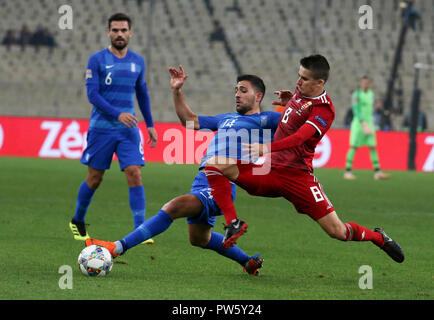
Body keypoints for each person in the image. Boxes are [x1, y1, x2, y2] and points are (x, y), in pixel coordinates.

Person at [202, 55, 404, 264]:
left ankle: (379, 238)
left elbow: (298, 138)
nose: (299, 82)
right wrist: (289, 102)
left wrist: (266, 148)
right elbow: (297, 111)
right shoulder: (300, 92)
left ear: (320, 83)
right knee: (216, 164)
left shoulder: (324, 110)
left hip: (298, 178)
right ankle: (233, 223)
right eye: (299, 76)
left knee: (337, 231)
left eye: (305, 79)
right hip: (271, 172)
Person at [85, 66, 282, 275]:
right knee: (199, 238)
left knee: (173, 207)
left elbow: (298, 122)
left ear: (258, 96)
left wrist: (291, 105)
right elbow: (189, 121)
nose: (237, 94)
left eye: (243, 90)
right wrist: (177, 91)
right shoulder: (226, 118)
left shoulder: (266, 119)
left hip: (223, 183)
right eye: (236, 90)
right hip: (202, 180)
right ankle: (247, 262)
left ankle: (116, 247)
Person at [69, 13, 158, 244]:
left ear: (130, 33)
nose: (119, 34)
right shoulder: (96, 60)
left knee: (135, 173)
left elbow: (142, 94)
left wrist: (149, 124)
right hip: (102, 129)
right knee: (95, 177)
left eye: (123, 30)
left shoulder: (138, 61)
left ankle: (140, 229)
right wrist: (117, 113)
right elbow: (92, 95)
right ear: (108, 32)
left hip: (128, 130)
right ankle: (77, 220)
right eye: (115, 30)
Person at [344, 76, 390, 180]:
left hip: (369, 124)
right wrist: (364, 124)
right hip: (359, 125)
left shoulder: (371, 94)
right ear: (361, 83)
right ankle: (347, 171)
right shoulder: (357, 94)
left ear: (370, 83)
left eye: (367, 82)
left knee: (373, 146)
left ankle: (377, 172)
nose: (365, 84)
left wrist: (371, 123)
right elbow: (356, 110)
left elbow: (369, 110)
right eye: (363, 82)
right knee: (354, 147)